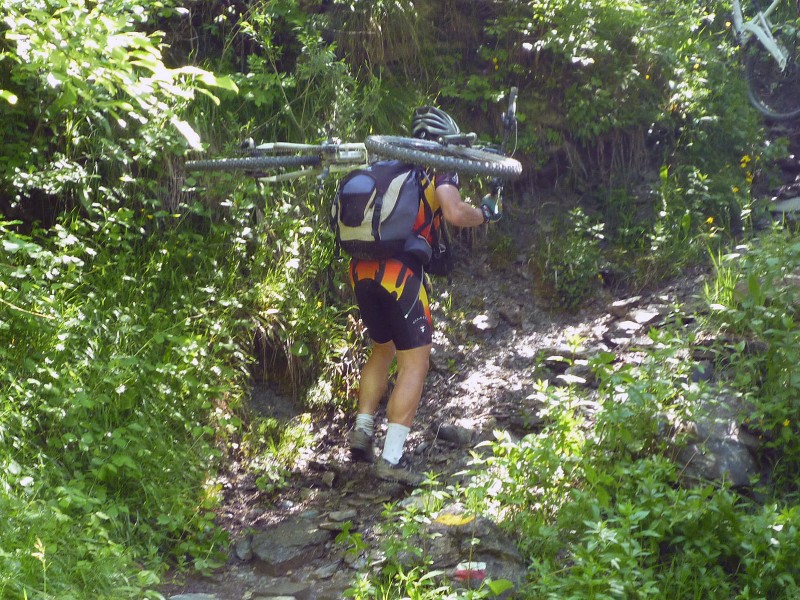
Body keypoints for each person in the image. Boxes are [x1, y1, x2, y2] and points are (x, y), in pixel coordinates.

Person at [348, 106, 501, 486]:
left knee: (381, 349)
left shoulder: (388, 163)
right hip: (400, 277)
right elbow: (452, 211)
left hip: (361, 272)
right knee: (414, 363)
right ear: (444, 140)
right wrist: (483, 214)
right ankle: (392, 458)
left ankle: (362, 431)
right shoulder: (435, 168)